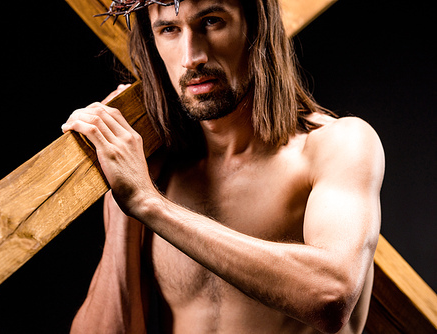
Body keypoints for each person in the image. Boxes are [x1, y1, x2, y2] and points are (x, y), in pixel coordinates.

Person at [62, 0, 385, 332]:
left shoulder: (336, 145)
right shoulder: (162, 171)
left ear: (257, 28)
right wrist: (124, 204)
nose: (192, 56)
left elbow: (331, 296)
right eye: (169, 29)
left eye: (212, 22)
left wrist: (148, 202)